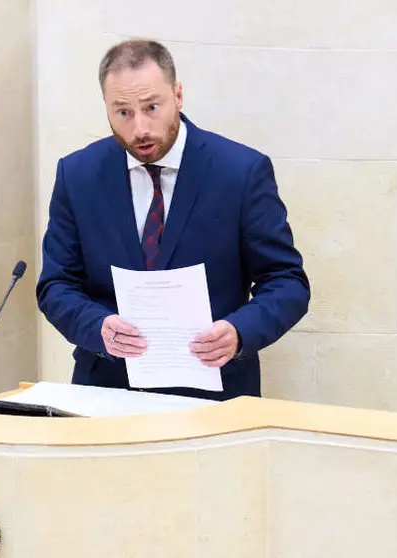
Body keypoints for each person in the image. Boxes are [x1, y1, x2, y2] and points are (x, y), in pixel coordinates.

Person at [35, 38, 310, 401]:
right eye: (123, 112)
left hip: (217, 396)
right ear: (105, 107)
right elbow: (56, 285)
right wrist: (97, 327)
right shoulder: (78, 174)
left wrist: (238, 331)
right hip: (107, 392)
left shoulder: (240, 172)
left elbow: (287, 281)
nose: (140, 129)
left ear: (177, 96)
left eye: (151, 107)